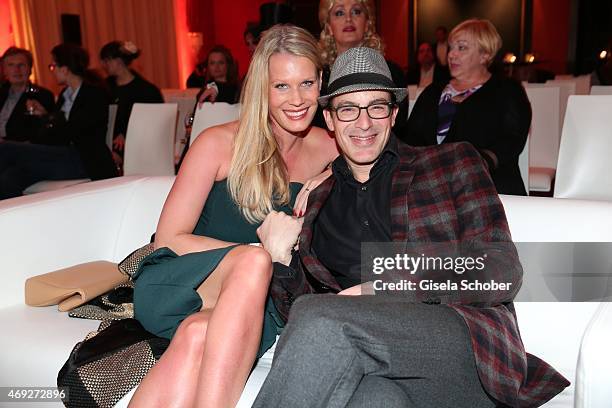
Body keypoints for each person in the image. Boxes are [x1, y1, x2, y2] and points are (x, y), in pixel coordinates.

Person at [252, 46, 569, 408]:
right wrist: (279, 259)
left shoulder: (452, 162)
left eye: (377, 107)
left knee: (323, 318)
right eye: (348, 109)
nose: (364, 122)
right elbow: (302, 324)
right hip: (368, 360)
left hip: (458, 349)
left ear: (393, 114)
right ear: (329, 118)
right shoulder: (316, 201)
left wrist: (382, 286)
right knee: (373, 400)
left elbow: (500, 270)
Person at [128, 25, 338, 408]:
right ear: (261, 87)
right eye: (281, 86)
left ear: (321, 80)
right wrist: (249, 255)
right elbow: (169, 237)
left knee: (196, 335)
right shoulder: (219, 143)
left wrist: (325, 179)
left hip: (262, 306)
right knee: (255, 262)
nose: (297, 99)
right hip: (184, 282)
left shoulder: (331, 150)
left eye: (306, 83)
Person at [407, 19, 531, 196]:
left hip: (488, 187)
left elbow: (512, 140)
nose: (451, 54)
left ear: (485, 55)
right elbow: (412, 137)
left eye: (462, 48)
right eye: (451, 48)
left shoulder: (507, 91)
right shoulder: (433, 92)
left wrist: (481, 161)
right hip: (432, 188)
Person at [0, 43, 116, 199]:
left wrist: (48, 119)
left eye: (53, 66)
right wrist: (45, 117)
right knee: (11, 177)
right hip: (61, 156)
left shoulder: (93, 94)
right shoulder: (65, 95)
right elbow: (52, 134)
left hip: (84, 160)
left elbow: (70, 132)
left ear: (65, 69)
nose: (52, 71)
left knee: (5, 149)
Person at [314, 0, 408, 135]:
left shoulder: (391, 73)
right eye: (339, 13)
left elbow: (397, 129)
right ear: (329, 26)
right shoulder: (318, 78)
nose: (348, 19)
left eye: (356, 11)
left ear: (367, 23)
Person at [100, 40, 164, 167]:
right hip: (108, 142)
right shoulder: (104, 87)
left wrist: (127, 134)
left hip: (138, 145)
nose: (103, 65)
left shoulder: (146, 91)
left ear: (118, 61)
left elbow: (154, 124)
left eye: (106, 60)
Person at [0, 47, 54, 142]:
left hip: (20, 151)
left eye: (21, 65)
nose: (16, 70)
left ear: (30, 69)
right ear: (4, 71)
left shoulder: (42, 95)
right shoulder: (1, 93)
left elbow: (37, 134)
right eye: (11, 65)